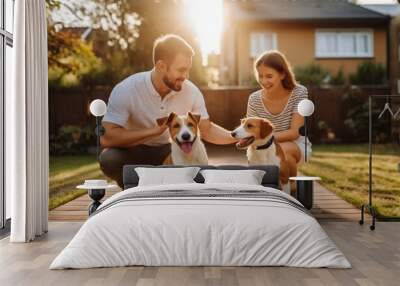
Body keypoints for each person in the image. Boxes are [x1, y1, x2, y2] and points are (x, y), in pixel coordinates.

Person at [99, 34, 236, 187]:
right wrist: (153, 131)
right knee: (109, 159)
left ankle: (162, 185)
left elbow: (207, 129)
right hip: (135, 150)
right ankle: (137, 188)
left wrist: (237, 137)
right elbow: (107, 137)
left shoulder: (191, 91)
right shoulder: (127, 89)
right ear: (161, 66)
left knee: (197, 168)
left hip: (170, 150)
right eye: (181, 70)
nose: (186, 76)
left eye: (188, 70)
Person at [246, 50, 312, 177]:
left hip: (295, 144)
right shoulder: (254, 99)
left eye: (269, 76)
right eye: (260, 76)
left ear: (282, 74)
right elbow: (251, 132)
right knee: (258, 164)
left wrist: (264, 140)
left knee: (279, 152)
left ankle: (292, 187)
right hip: (263, 143)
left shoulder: (299, 93)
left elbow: (294, 133)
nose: (264, 81)